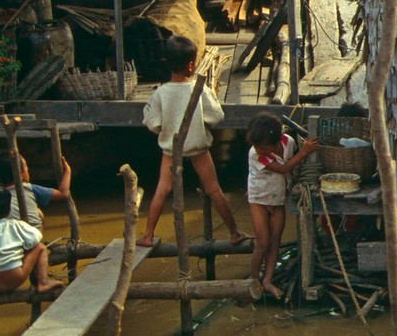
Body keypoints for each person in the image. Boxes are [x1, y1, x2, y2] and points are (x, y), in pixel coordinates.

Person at [137, 35, 250, 248]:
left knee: (162, 189)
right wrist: (200, 122)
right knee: (214, 189)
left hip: (171, 149)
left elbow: (152, 122)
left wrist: (166, 128)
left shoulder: (161, 93)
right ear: (191, 65)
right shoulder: (201, 90)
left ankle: (148, 235)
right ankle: (234, 232)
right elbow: (217, 117)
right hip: (198, 147)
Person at [245, 113, 319, 297]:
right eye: (256, 146)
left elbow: (291, 165)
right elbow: (284, 169)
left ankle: (268, 280)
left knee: (275, 241)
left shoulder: (288, 142)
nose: (258, 149)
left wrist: (302, 151)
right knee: (262, 243)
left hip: (278, 200)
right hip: (258, 200)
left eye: (262, 147)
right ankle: (254, 279)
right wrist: (305, 152)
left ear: (275, 142)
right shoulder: (255, 154)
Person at [0, 187, 64, 295]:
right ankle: (43, 282)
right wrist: (21, 248)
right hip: (16, 278)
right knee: (40, 247)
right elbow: (36, 237)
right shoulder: (15, 225)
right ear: (9, 210)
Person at [0, 151, 71, 228]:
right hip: (33, 232)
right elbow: (63, 193)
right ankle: (37, 239)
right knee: (39, 213)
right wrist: (68, 171)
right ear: (21, 172)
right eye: (26, 167)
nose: (27, 170)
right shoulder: (30, 188)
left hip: (9, 233)